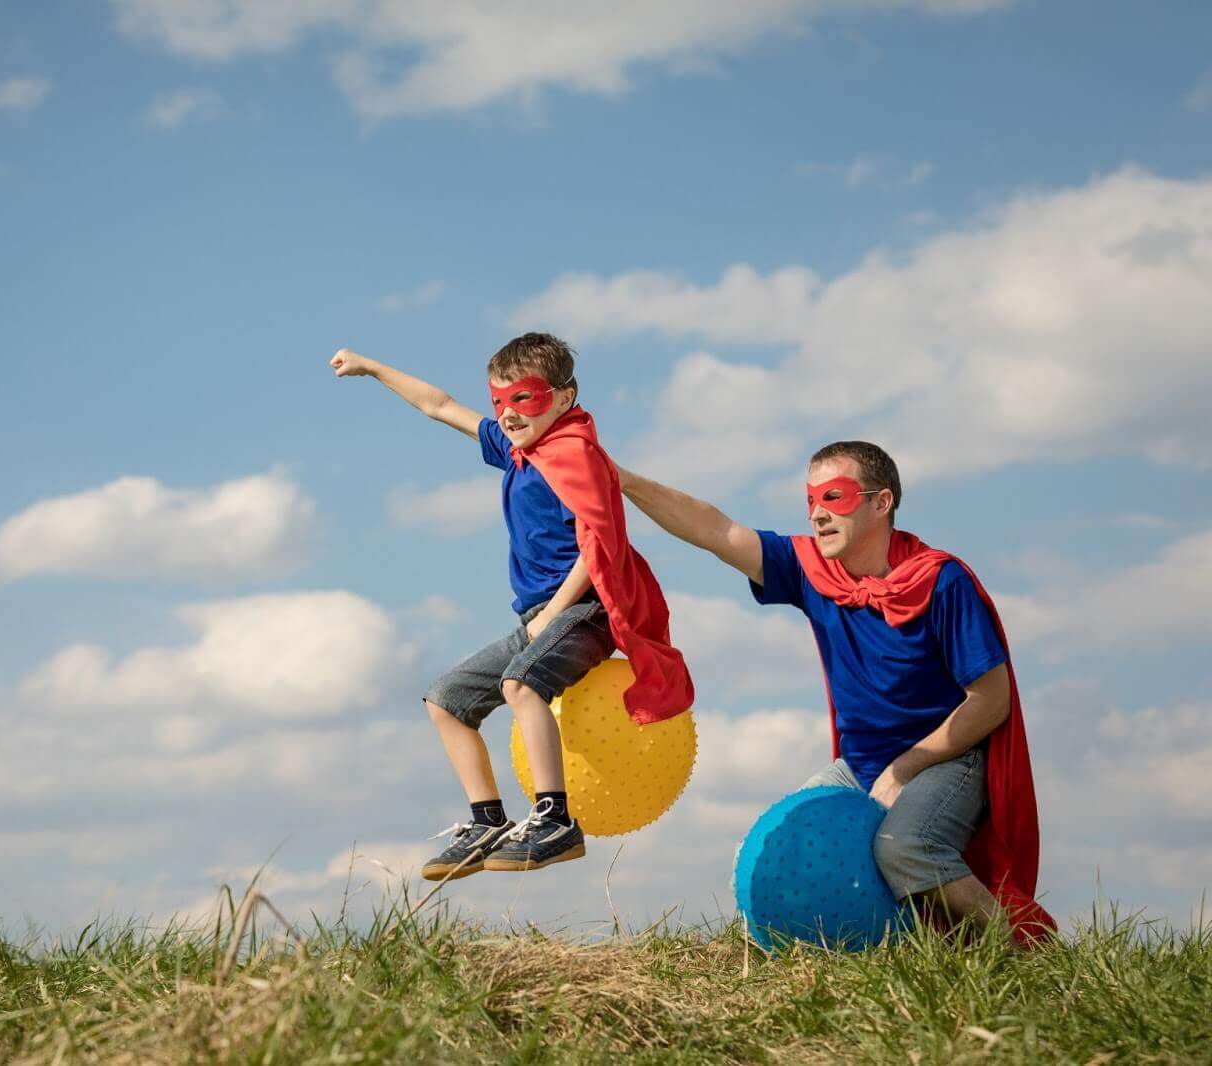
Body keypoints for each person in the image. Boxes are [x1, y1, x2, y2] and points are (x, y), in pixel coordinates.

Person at [618, 441, 1054, 942]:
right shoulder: (815, 572)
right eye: (811, 502)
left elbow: (990, 699)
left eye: (836, 497)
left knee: (903, 847)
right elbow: (715, 529)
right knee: (770, 849)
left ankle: (1026, 953)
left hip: (949, 762)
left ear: (881, 502)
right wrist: (624, 481)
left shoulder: (939, 581)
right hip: (861, 765)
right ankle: (814, 959)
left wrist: (907, 766)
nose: (819, 514)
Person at [331, 333, 693, 879]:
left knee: (521, 684)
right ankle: (486, 823)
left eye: (523, 399)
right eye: (500, 402)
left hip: (587, 609)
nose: (507, 414)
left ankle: (554, 821)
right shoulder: (519, 451)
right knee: (447, 700)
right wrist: (371, 366)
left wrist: (557, 610)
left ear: (564, 399)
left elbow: (599, 541)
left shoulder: (574, 453)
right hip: (540, 617)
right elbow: (440, 405)